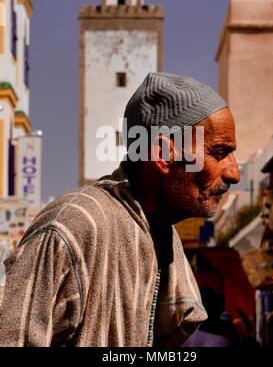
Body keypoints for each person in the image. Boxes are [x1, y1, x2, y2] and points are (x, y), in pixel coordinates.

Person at [0, 73, 240, 347]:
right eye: (220, 152)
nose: (234, 173)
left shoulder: (161, 232)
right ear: (163, 155)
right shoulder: (73, 226)